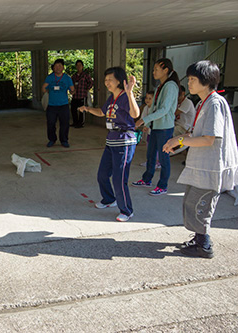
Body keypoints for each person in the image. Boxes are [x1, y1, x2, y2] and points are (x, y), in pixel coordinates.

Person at [162, 60, 238, 258]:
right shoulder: (204, 102)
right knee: (191, 202)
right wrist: (177, 143)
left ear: (207, 81)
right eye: (190, 79)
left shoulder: (214, 103)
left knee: (200, 204)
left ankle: (204, 245)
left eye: (194, 79)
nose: (190, 83)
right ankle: (199, 239)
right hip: (203, 165)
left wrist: (179, 139)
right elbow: (196, 134)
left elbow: (208, 139)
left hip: (211, 166)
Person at [78, 67, 140, 222]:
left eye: (110, 80)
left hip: (124, 141)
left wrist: (130, 93)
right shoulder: (111, 98)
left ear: (119, 80)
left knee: (119, 179)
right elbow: (102, 112)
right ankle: (109, 199)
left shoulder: (126, 97)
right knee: (102, 175)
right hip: (111, 140)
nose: (107, 83)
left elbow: (135, 114)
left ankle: (127, 210)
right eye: (105, 80)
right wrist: (87, 109)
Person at [132, 58, 179, 196]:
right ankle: (147, 180)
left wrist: (143, 120)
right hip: (155, 127)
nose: (153, 72)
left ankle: (163, 185)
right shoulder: (160, 86)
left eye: (156, 69)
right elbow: (153, 108)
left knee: (164, 158)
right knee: (150, 155)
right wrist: (147, 123)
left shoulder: (170, 86)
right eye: (153, 69)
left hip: (165, 128)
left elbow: (164, 110)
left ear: (166, 70)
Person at [42, 59, 75, 148]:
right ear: (53, 68)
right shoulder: (50, 77)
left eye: (60, 66)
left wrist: (72, 91)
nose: (58, 68)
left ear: (63, 67)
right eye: (56, 66)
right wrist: (46, 90)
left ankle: (64, 140)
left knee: (64, 124)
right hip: (52, 105)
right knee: (50, 123)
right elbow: (44, 88)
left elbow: (72, 89)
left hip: (63, 105)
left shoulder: (67, 78)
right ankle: (52, 139)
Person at [70, 60, 93, 128]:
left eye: (80, 65)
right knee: (73, 109)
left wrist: (86, 89)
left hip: (82, 96)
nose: (78, 67)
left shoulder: (85, 75)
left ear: (82, 66)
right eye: (77, 65)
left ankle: (81, 123)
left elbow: (91, 83)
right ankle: (75, 122)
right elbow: (71, 84)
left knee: (81, 110)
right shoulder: (74, 76)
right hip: (75, 96)